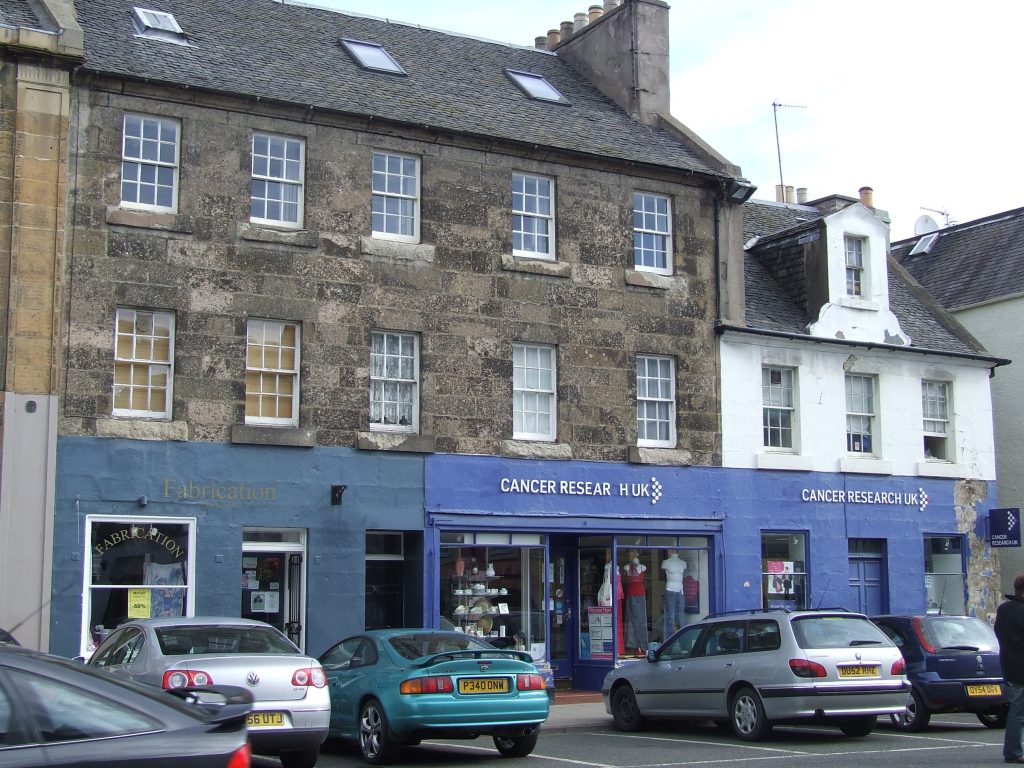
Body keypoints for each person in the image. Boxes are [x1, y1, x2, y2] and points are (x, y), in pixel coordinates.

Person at [995, 574, 1024, 764]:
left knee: (1017, 710)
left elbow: (998, 632)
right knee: (1018, 712)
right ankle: (1013, 752)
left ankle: (1013, 750)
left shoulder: (1004, 609)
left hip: (1010, 667)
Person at [623, 550, 648, 654]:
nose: (633, 556)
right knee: (632, 619)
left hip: (640, 594)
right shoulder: (627, 567)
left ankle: (641, 644)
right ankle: (633, 645)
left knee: (641, 619)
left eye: (635, 554)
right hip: (632, 594)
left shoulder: (643, 567)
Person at [662, 550, 687, 639]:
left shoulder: (683, 563)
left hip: (680, 591)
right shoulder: (666, 562)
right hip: (670, 589)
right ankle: (667, 641)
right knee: (670, 617)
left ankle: (683, 640)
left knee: (681, 617)